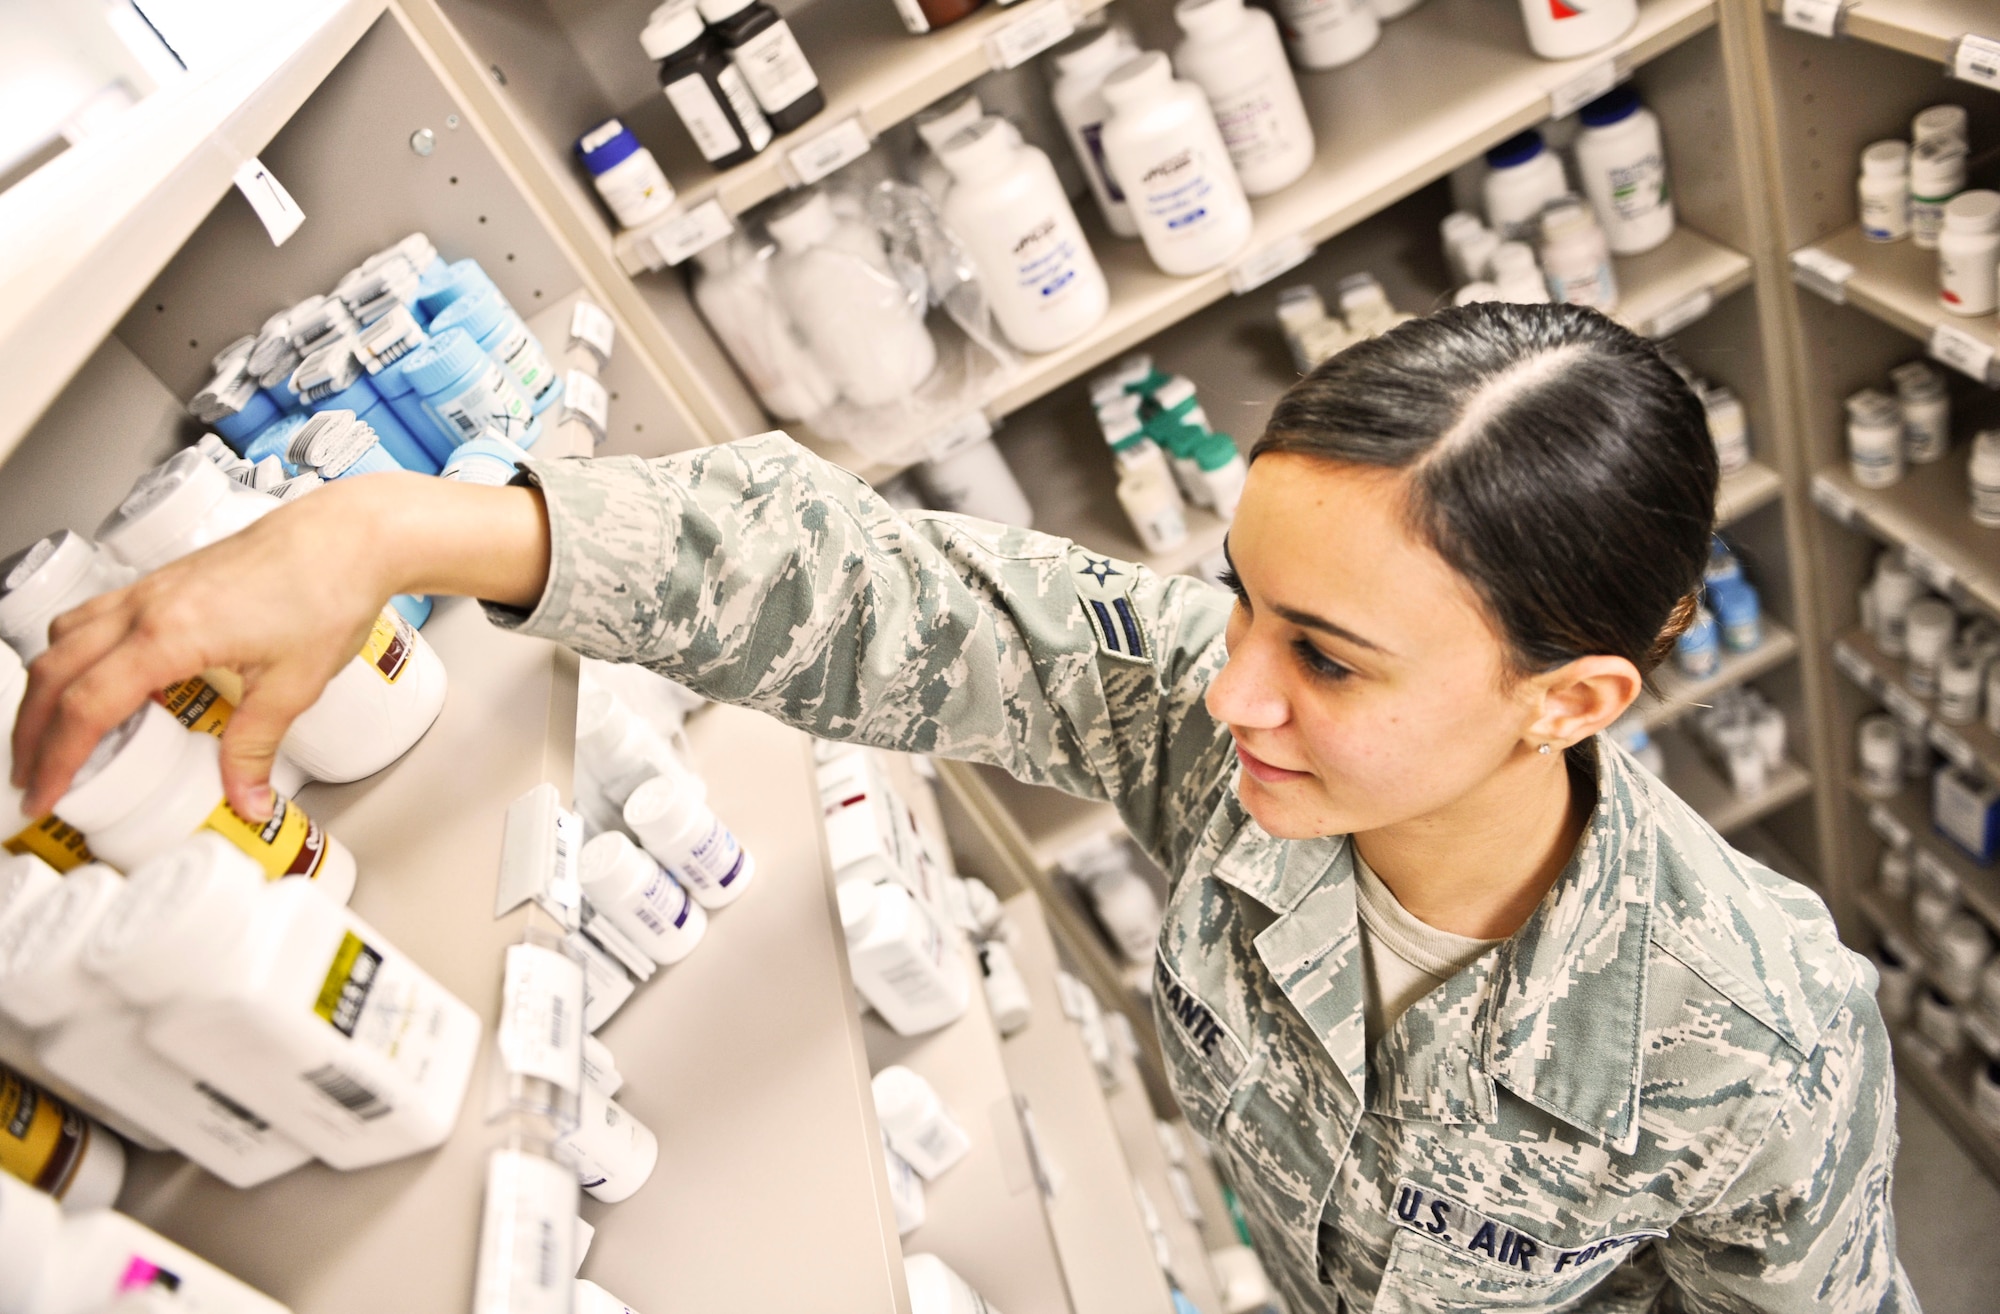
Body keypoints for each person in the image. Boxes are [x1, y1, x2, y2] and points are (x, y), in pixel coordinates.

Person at [12, 303, 1911, 1311]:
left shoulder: (1752, 1038)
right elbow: (895, 591)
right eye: (1238, 597)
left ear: (1565, 703)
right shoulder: (1234, 737)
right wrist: (394, 522)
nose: (1231, 684)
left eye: (1327, 656)